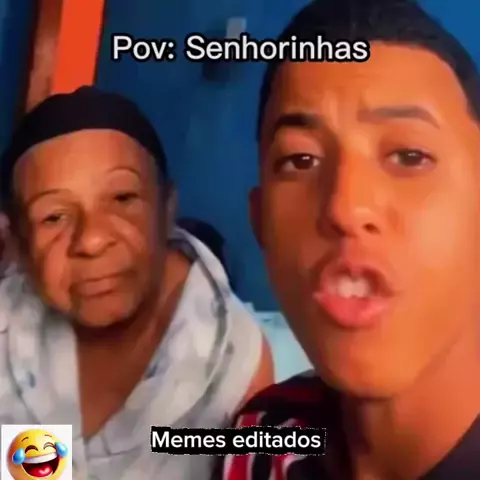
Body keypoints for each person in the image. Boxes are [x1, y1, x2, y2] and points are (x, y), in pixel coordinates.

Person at [214, 0, 480, 478]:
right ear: (260, 223)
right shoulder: (261, 440)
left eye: (409, 155)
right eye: (300, 160)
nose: (345, 206)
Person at [0, 86, 273, 479]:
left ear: (166, 209)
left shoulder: (236, 364)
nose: (92, 240)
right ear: (21, 245)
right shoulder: (7, 332)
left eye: (123, 198)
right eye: (53, 217)